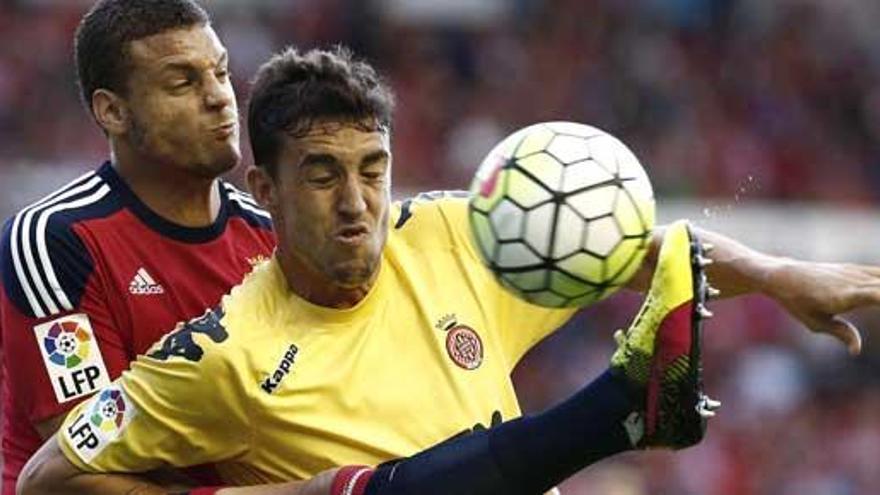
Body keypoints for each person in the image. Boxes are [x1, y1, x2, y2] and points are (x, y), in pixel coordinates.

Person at [18, 45, 879, 495]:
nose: (356, 202)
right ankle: (622, 404)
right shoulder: (223, 355)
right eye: (321, 174)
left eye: (373, 168)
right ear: (265, 191)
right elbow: (48, 477)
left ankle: (626, 404)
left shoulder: (448, 235)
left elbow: (629, 243)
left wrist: (776, 273)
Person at [0, 0, 275, 491]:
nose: (220, 97)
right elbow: (86, 460)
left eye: (221, 72)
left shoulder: (274, 237)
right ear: (113, 111)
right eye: (183, 82)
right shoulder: (55, 240)